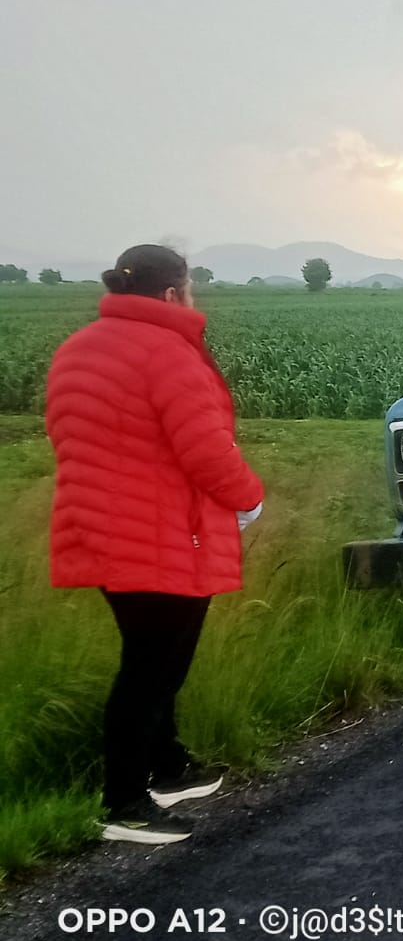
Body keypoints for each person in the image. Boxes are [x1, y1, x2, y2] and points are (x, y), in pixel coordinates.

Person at [45, 245, 264, 845]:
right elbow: (205, 449)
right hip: (161, 532)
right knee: (152, 669)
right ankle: (123, 804)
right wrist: (250, 496)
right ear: (172, 293)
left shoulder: (76, 350)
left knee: (148, 655)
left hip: (95, 529)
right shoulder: (169, 354)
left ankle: (169, 768)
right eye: (190, 287)